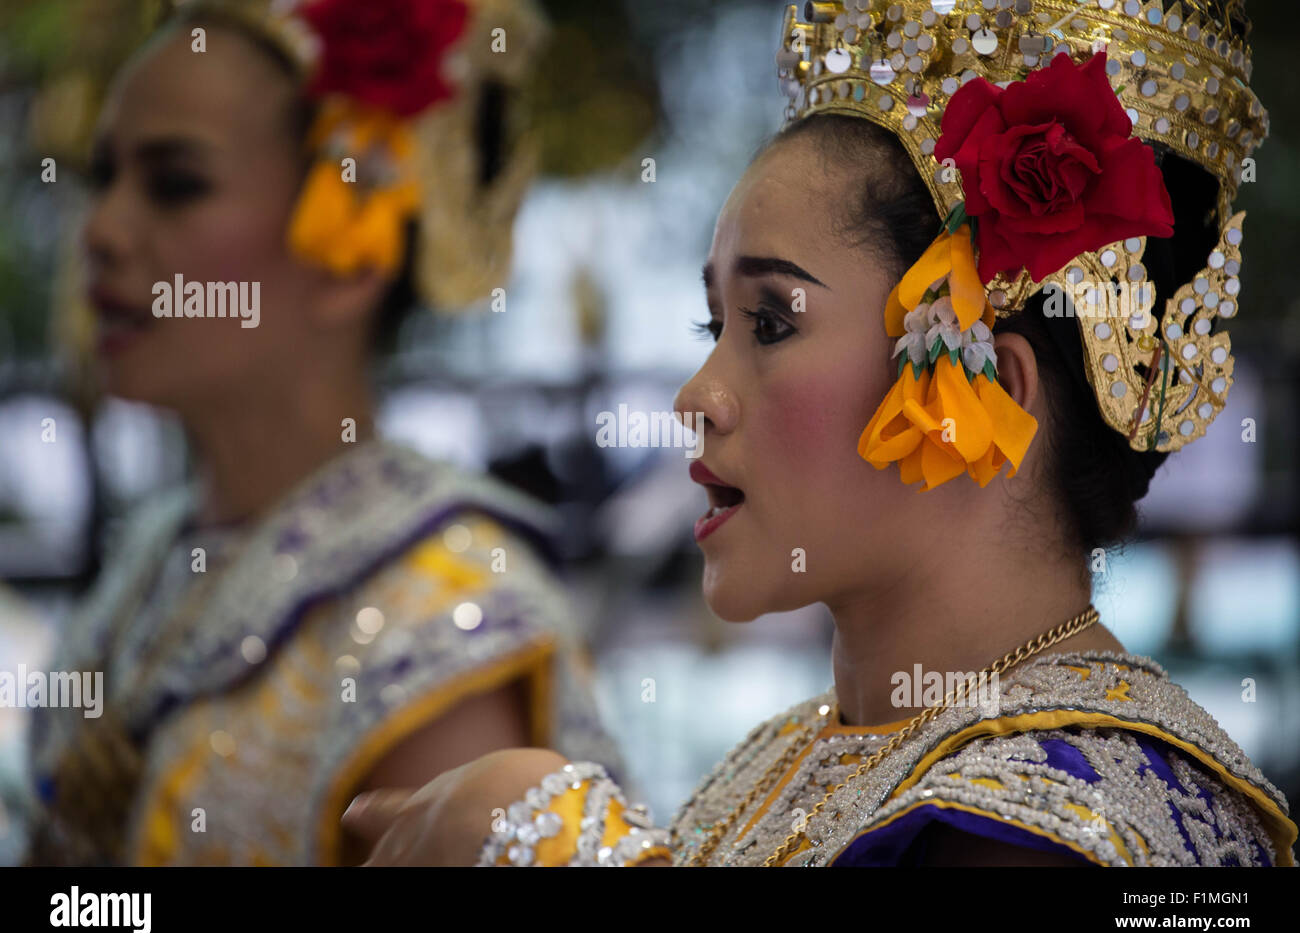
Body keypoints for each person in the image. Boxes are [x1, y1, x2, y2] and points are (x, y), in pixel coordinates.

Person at [343, 0, 1297, 867]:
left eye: (771, 323)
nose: (696, 393)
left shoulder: (1071, 820)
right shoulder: (777, 759)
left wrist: (549, 846)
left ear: (989, 394)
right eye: (709, 326)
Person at [25, 0, 623, 866]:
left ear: (351, 245)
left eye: (176, 183)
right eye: (102, 176)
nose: (103, 231)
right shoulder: (153, 561)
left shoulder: (445, 628)